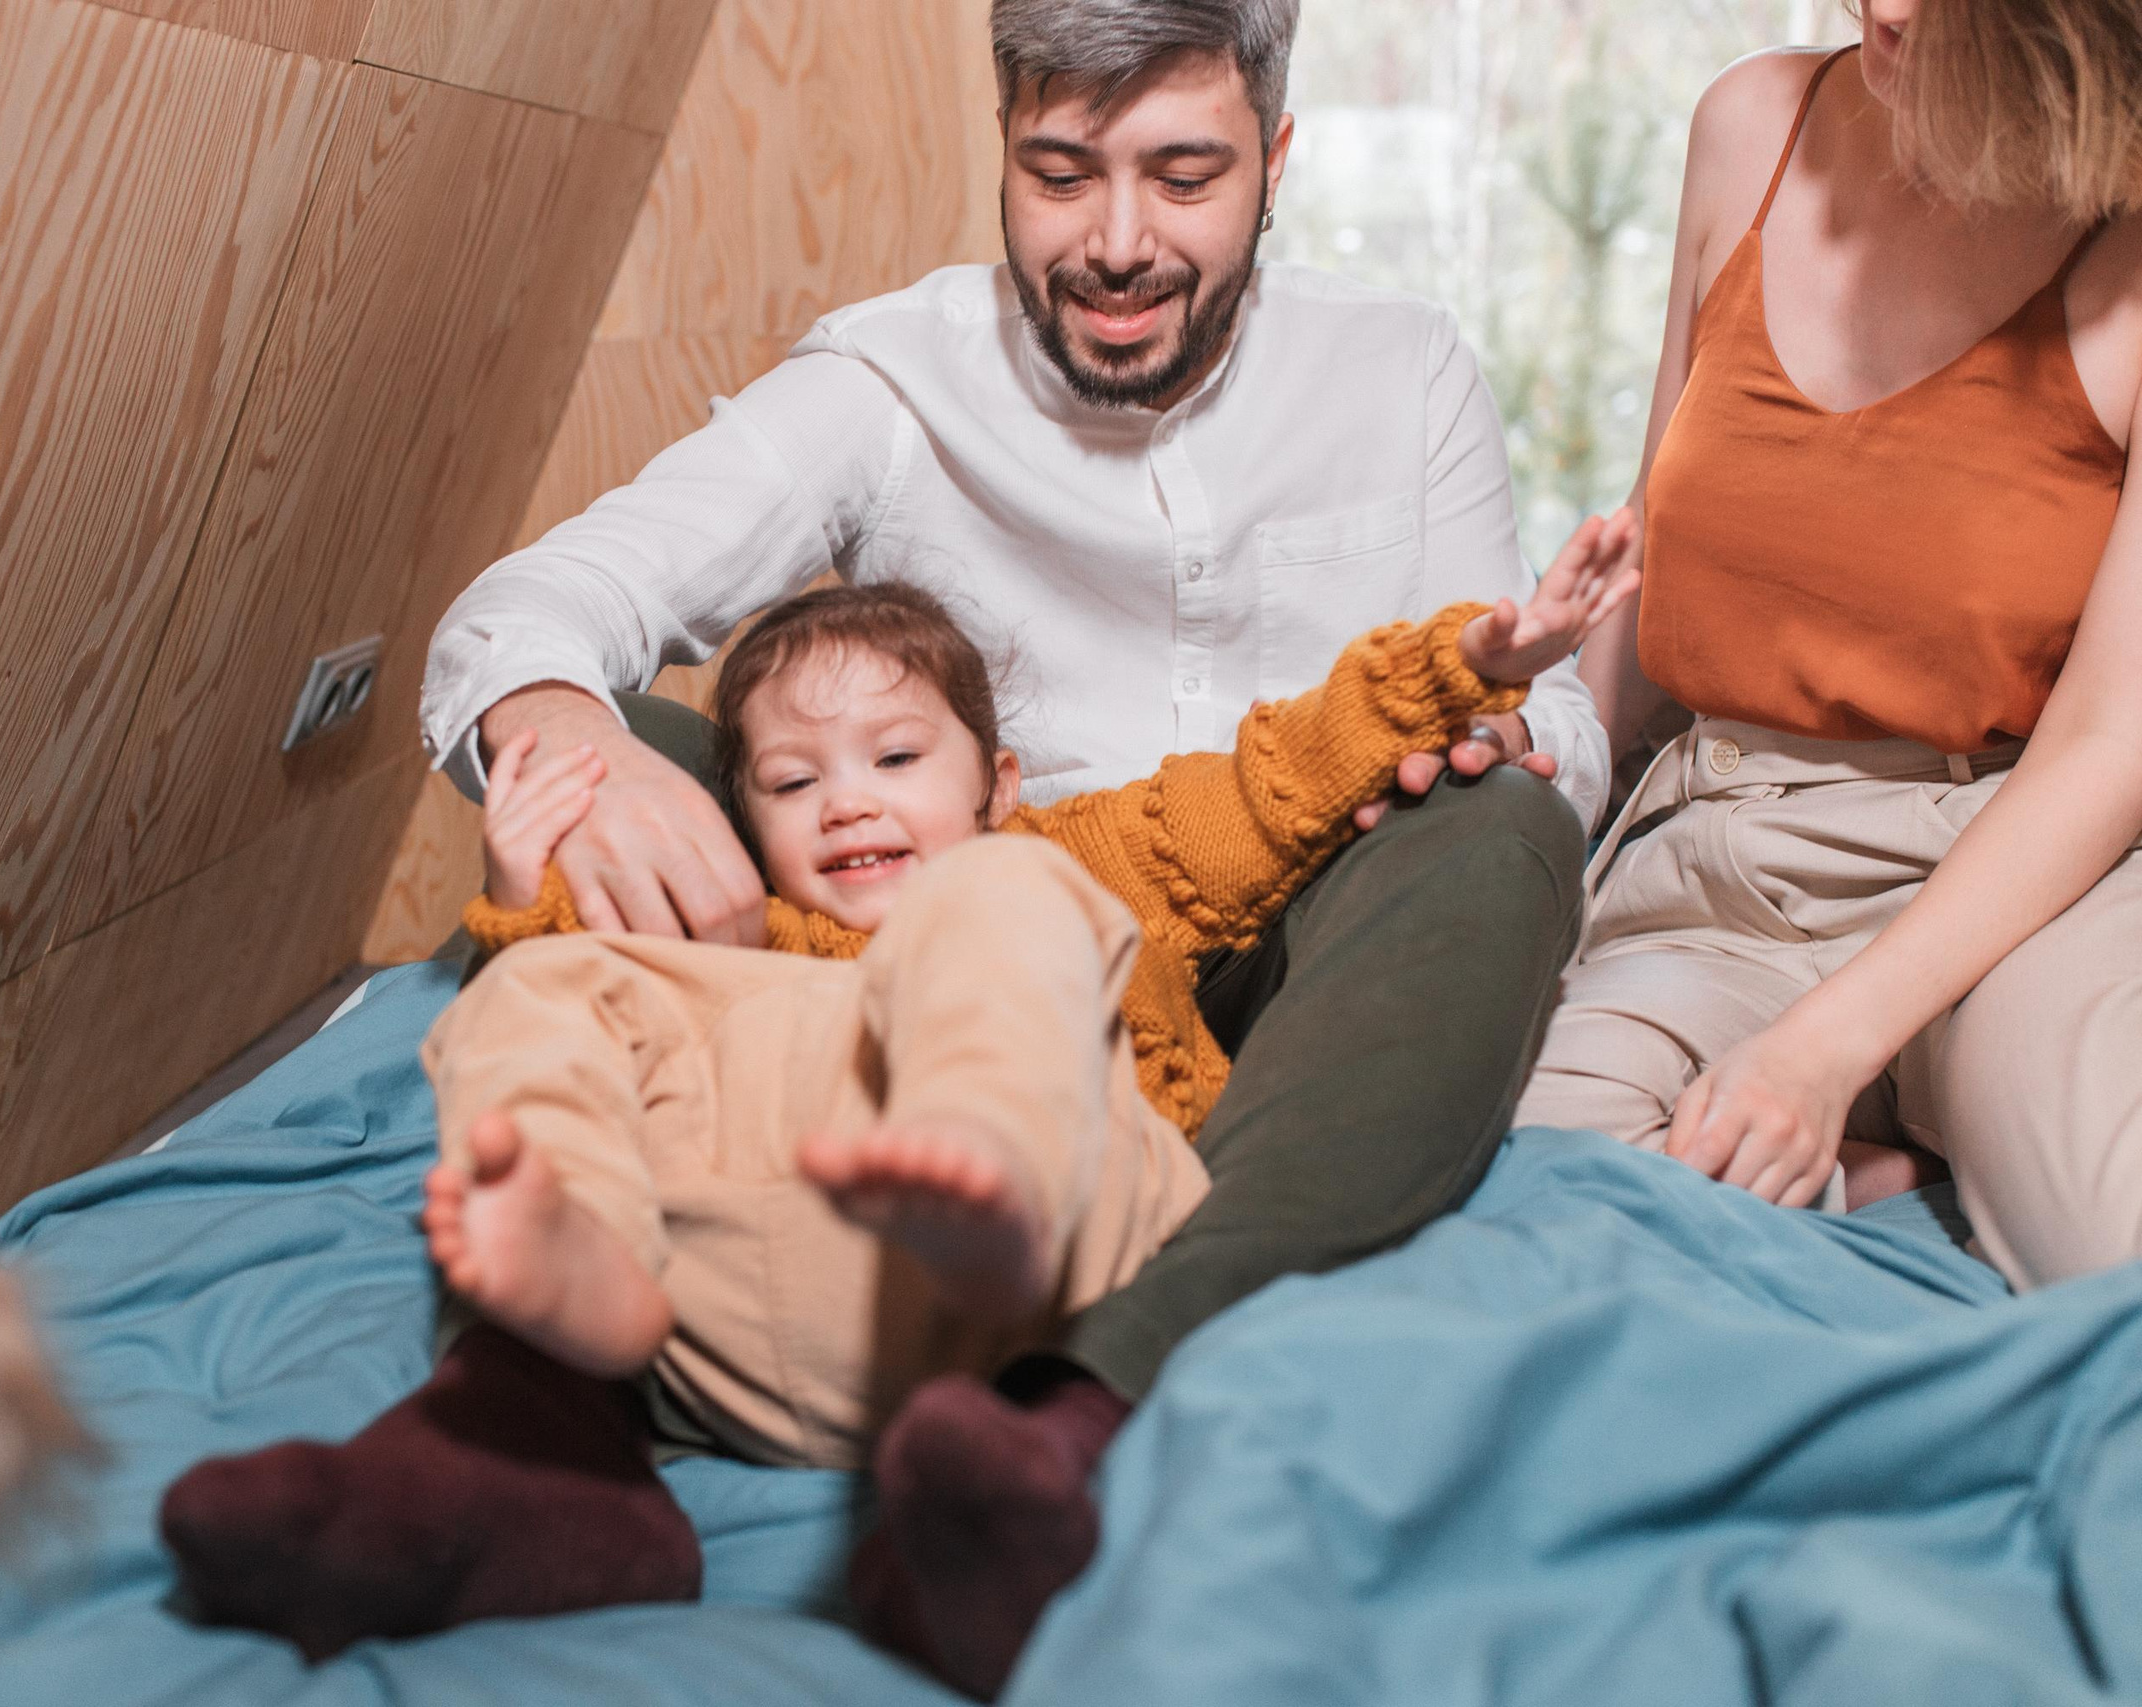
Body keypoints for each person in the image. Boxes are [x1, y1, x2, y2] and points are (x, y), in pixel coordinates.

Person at [396, 0, 1610, 1686]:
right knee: (643, 743)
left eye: (1185, 176)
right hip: (951, 933)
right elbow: (530, 609)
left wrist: (1498, 730)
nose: (1117, 244)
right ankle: (535, 1413)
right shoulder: (882, 380)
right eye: (1061, 174)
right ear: (1006, 155)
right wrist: (584, 748)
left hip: (1314, 926)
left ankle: (1084, 1394)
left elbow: (1553, 707)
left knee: (1504, 816)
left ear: (1278, 157)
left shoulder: (1404, 364)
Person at [163, 531, 1634, 1676]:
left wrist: (1470, 660)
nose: (850, 802)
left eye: (896, 759)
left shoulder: (1058, 852)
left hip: (1060, 1252)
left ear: (996, 775)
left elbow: (1276, 780)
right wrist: (525, 905)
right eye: (794, 781)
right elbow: (587, 1001)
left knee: (998, 907)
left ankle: (981, 1169)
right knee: (557, 991)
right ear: (742, 821)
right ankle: (565, 1338)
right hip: (741, 1313)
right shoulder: (736, 933)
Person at [1519, 0, 2142, 1282]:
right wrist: (1546, 776)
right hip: (1725, 850)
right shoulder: (1751, 124)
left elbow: (2106, 747)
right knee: (1546, 1201)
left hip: (2019, 873)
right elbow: (1656, 564)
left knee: (2113, 1248)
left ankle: (1926, 1137)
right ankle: (1902, 1179)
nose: (1885, 7)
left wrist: (1822, 1048)